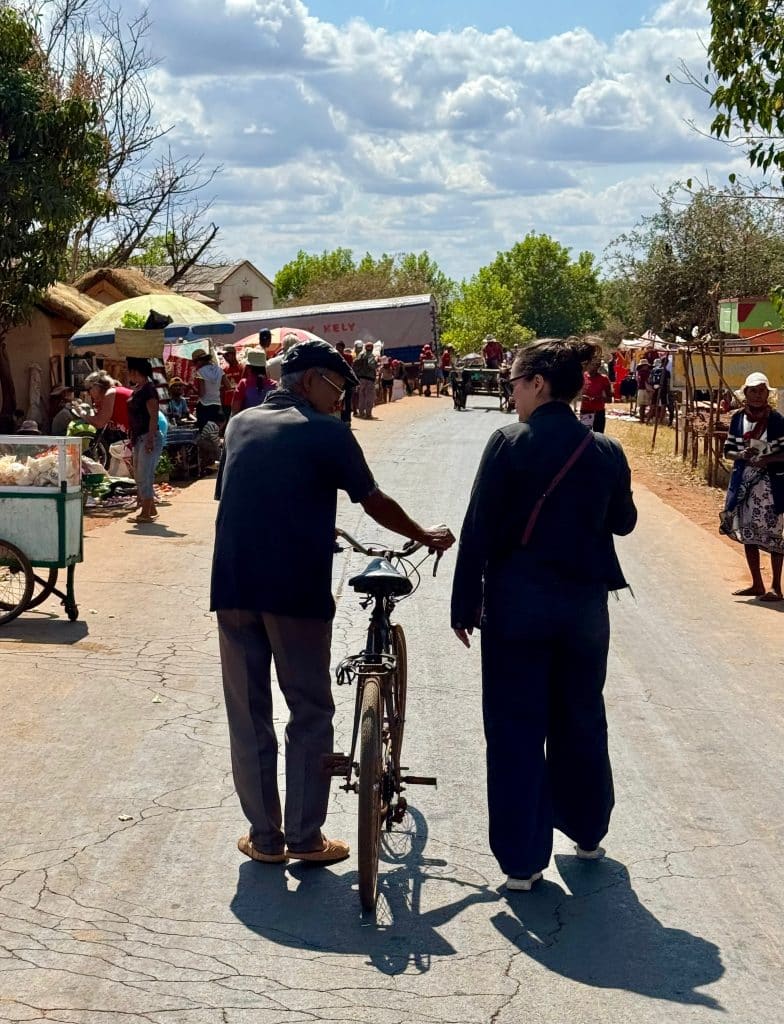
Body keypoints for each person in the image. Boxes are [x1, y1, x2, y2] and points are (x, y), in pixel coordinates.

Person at [212, 340, 455, 866]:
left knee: (248, 712)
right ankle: (304, 837)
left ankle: (264, 838)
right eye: (337, 386)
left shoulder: (240, 423)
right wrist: (423, 533)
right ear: (309, 381)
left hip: (231, 589)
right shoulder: (327, 433)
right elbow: (373, 500)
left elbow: (235, 497)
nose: (342, 397)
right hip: (294, 593)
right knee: (310, 708)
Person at [450, 338, 637, 892]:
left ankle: (523, 862)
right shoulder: (606, 451)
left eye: (513, 382)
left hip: (517, 609)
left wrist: (463, 604)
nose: (510, 393)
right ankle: (587, 831)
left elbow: (478, 528)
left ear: (537, 384)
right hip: (584, 612)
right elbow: (623, 524)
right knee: (581, 715)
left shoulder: (509, 443)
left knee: (515, 727)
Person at [721, 371, 784, 601]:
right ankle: (757, 583)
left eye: (762, 391)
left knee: (775, 536)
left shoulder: (776, 420)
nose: (757, 395)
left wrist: (766, 459)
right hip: (744, 485)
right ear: (745, 393)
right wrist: (742, 454)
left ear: (768, 394)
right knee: (748, 535)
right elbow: (727, 450)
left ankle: (776, 586)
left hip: (770, 487)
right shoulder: (738, 418)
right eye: (753, 390)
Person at [126, 358, 163, 523]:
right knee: (140, 474)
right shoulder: (139, 389)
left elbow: (153, 416)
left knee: (144, 475)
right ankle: (151, 508)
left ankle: (146, 512)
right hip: (139, 437)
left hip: (148, 437)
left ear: (136, 372)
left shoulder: (149, 390)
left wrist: (150, 439)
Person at [81, 370, 132, 441]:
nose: (88, 394)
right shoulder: (112, 393)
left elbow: (100, 423)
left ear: (96, 386)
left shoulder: (110, 393)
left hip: (145, 435)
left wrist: (83, 414)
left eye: (89, 389)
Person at [192, 349, 225, 431]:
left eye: (196, 362)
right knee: (214, 431)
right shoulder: (219, 370)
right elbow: (229, 385)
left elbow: (202, 393)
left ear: (200, 361)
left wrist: (192, 388)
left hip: (204, 405)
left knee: (204, 431)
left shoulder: (200, 372)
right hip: (216, 404)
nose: (196, 365)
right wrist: (216, 388)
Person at [580, 354, 613, 433]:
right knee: (584, 435)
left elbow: (609, 399)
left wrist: (599, 398)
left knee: (598, 435)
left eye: (597, 365)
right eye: (592, 364)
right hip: (585, 411)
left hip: (598, 412)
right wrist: (581, 397)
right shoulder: (583, 377)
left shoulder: (604, 379)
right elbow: (576, 394)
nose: (594, 367)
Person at [353, 340, 377, 418]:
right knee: (369, 396)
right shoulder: (371, 356)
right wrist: (376, 363)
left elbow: (355, 364)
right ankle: (368, 414)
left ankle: (361, 413)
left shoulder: (361, 355)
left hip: (361, 379)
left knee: (361, 396)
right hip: (369, 378)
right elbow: (371, 365)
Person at [220, 346, 244, 421]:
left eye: (227, 355)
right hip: (227, 405)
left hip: (239, 403)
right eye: (223, 356)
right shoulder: (224, 370)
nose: (225, 357)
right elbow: (221, 390)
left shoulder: (242, 369)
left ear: (233, 354)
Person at [335, 341, 354, 424]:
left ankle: (347, 419)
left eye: (339, 347)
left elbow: (350, 368)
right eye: (337, 347)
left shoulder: (348, 357)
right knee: (339, 401)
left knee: (347, 401)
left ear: (343, 348)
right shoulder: (334, 357)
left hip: (346, 382)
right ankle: (341, 418)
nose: (337, 349)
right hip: (337, 382)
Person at [635, 358, 652, 423]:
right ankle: (642, 419)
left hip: (641, 389)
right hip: (644, 389)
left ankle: (641, 419)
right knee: (643, 405)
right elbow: (646, 382)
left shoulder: (639, 372)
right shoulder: (645, 373)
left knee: (642, 405)